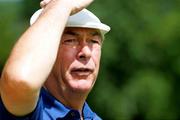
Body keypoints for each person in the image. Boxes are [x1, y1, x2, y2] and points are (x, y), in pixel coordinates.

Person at [0, 0, 110, 119]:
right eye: (70, 40)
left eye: (93, 41)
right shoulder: (32, 113)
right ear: (45, 52)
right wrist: (62, 4)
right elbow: (20, 80)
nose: (86, 52)